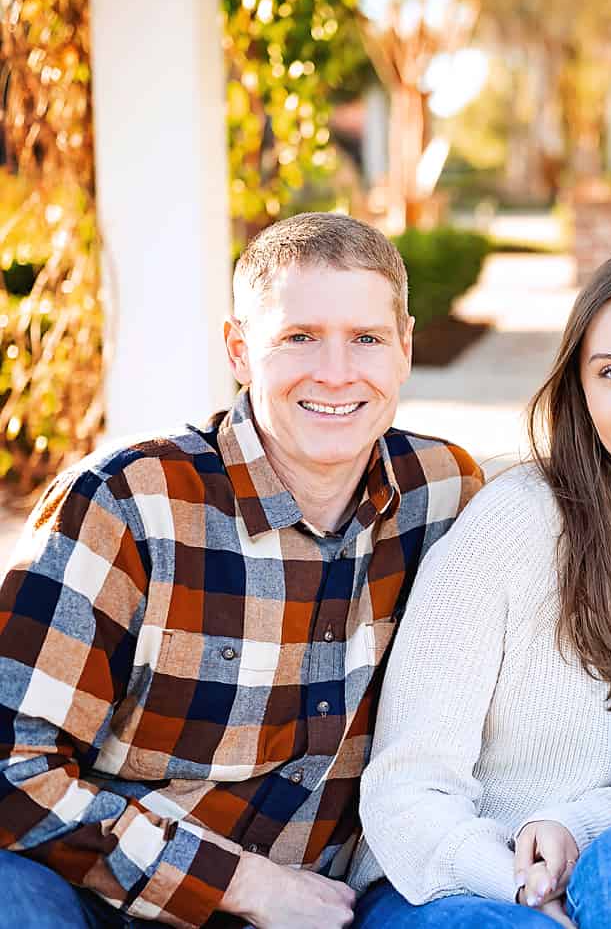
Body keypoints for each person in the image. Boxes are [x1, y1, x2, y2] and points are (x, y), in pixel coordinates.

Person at [0, 212, 482, 929]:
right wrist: (242, 885)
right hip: (112, 896)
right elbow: (12, 764)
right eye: (299, 338)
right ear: (237, 349)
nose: (336, 372)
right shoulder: (128, 504)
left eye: (367, 339)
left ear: (405, 347)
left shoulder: (445, 493)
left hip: (339, 903)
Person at [347, 246, 611, 929]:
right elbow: (407, 786)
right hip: (447, 880)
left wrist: (575, 825)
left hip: (607, 861)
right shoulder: (516, 525)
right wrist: (516, 884)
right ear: (580, 390)